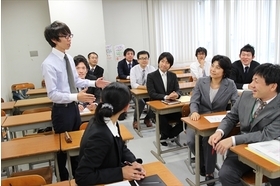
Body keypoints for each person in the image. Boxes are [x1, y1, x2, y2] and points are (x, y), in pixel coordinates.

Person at [41, 21, 109, 181]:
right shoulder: (48, 64)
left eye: (70, 35)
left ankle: (78, 176)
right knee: (61, 150)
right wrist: (76, 97)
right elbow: (52, 94)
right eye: (65, 36)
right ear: (54, 40)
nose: (69, 39)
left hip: (73, 109)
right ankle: (63, 179)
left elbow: (76, 82)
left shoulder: (68, 58)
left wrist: (94, 83)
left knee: (77, 145)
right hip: (61, 111)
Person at [209, 63, 280, 186]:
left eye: (256, 81)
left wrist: (233, 139)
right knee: (225, 175)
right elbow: (231, 117)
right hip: (242, 149)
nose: (251, 85)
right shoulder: (246, 96)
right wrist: (219, 131)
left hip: (269, 152)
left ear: (272, 86)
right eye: (252, 79)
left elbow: (267, 134)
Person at [75, 82, 146, 185]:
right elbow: (82, 177)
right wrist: (121, 172)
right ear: (126, 107)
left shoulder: (109, 120)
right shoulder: (100, 135)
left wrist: (133, 161)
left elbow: (120, 145)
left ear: (102, 101)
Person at [186, 55, 238, 186]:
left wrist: (233, 114)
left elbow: (236, 103)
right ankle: (204, 161)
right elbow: (194, 100)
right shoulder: (201, 81)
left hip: (217, 121)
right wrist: (194, 112)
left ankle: (209, 172)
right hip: (198, 118)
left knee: (209, 141)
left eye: (218, 67)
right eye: (213, 66)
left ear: (224, 71)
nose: (213, 69)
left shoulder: (230, 84)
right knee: (191, 141)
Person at [146, 52, 183, 146]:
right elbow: (152, 93)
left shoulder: (172, 76)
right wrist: (166, 97)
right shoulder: (151, 76)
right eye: (162, 61)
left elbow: (178, 90)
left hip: (171, 107)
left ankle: (169, 135)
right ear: (158, 62)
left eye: (167, 62)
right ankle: (166, 135)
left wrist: (177, 95)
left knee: (185, 120)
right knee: (163, 121)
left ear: (170, 65)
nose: (164, 64)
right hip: (157, 109)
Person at [130, 50, 156, 129]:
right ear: (138, 60)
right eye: (141, 58)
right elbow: (133, 84)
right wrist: (146, 87)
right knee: (140, 102)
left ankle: (148, 118)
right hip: (136, 93)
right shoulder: (134, 69)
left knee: (156, 102)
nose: (144, 60)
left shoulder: (152, 68)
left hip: (149, 92)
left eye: (146, 58)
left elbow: (156, 82)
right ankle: (136, 120)